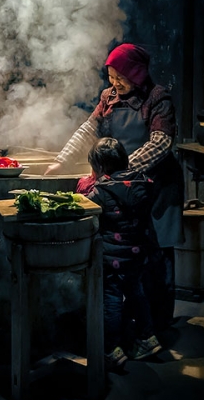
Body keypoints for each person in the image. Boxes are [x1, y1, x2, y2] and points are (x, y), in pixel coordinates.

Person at [45, 42, 183, 335]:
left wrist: (120, 173)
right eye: (111, 77)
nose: (115, 84)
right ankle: (131, 324)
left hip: (156, 186)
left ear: (137, 73)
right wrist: (61, 160)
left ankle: (157, 327)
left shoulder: (158, 99)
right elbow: (87, 130)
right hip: (122, 187)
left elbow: (160, 143)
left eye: (120, 78)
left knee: (156, 254)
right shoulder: (108, 97)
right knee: (128, 255)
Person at [84, 137, 163, 370]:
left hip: (113, 259)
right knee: (137, 292)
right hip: (139, 254)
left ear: (99, 168)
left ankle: (111, 349)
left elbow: (86, 207)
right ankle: (147, 338)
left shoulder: (101, 190)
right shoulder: (142, 183)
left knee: (111, 301)